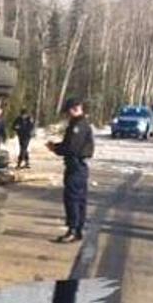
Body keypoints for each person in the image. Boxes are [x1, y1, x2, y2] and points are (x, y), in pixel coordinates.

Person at [46, 98, 94, 243]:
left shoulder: (78, 126)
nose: (68, 114)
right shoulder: (80, 124)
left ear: (74, 109)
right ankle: (77, 229)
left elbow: (71, 148)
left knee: (72, 199)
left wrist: (56, 149)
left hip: (75, 166)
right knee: (79, 199)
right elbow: (70, 144)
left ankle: (73, 229)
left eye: (69, 111)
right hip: (78, 166)